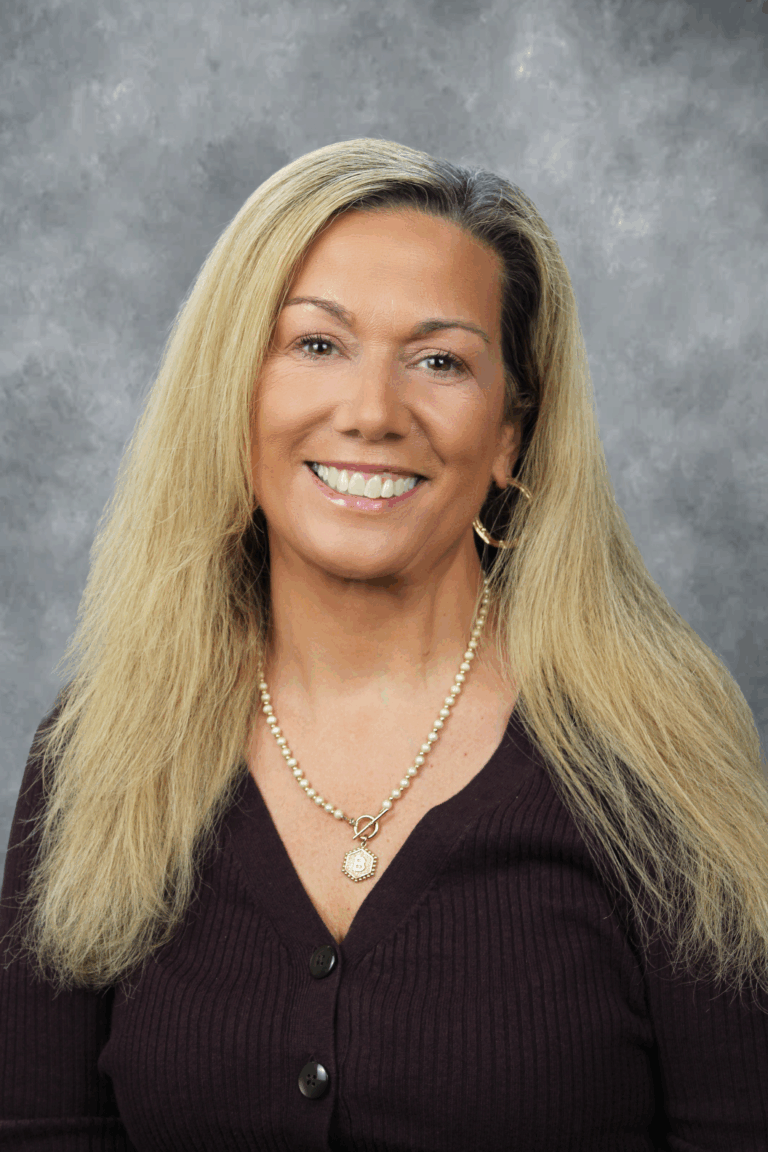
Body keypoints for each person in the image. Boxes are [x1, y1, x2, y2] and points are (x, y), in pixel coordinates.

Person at [2, 137, 768, 1151]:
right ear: (235, 396)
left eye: (441, 360)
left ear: (510, 436)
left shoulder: (653, 757)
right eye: (316, 346)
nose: (370, 413)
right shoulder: (98, 758)